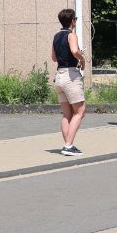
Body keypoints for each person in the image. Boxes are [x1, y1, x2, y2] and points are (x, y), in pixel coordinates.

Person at [51, 8, 86, 156]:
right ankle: (68, 145)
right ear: (72, 21)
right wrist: (82, 58)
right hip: (70, 76)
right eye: (75, 19)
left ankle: (68, 144)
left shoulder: (56, 36)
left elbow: (54, 58)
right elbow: (74, 50)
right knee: (80, 111)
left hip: (59, 76)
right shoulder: (72, 35)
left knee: (67, 114)